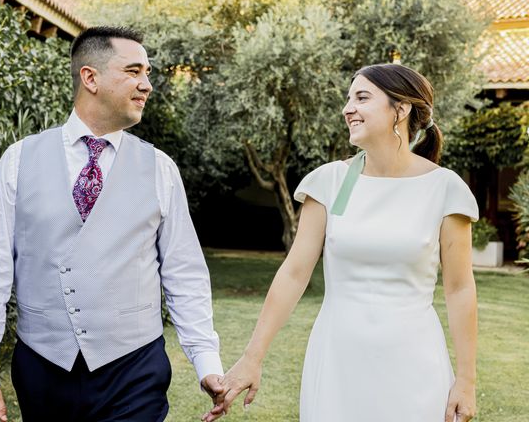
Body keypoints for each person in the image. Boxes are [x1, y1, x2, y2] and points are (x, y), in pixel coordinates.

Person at [0, 26, 224, 422]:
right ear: (90, 77)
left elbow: (184, 274)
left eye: (147, 73)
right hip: (43, 368)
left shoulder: (161, 169)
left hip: (134, 370)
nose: (146, 84)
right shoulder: (18, 160)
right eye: (134, 71)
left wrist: (207, 362)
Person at [205, 64, 478, 422]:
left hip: (415, 362)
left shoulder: (445, 188)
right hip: (337, 360)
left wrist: (466, 381)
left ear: (401, 108)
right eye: (348, 99)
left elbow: (459, 289)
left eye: (362, 98)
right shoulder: (331, 182)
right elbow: (294, 273)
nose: (347, 108)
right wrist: (251, 358)